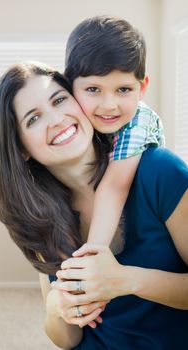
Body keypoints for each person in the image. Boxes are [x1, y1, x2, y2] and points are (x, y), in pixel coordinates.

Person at [0, 61, 188, 349]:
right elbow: (68, 339)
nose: (56, 120)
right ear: (20, 149)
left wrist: (127, 280)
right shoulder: (39, 215)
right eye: (33, 119)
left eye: (59, 100)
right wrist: (57, 309)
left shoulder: (159, 171)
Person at [65, 16, 165, 252]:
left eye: (123, 89)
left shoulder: (140, 121)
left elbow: (114, 187)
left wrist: (93, 253)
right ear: (70, 85)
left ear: (141, 88)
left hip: (147, 223)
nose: (109, 105)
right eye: (93, 89)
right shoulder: (75, 119)